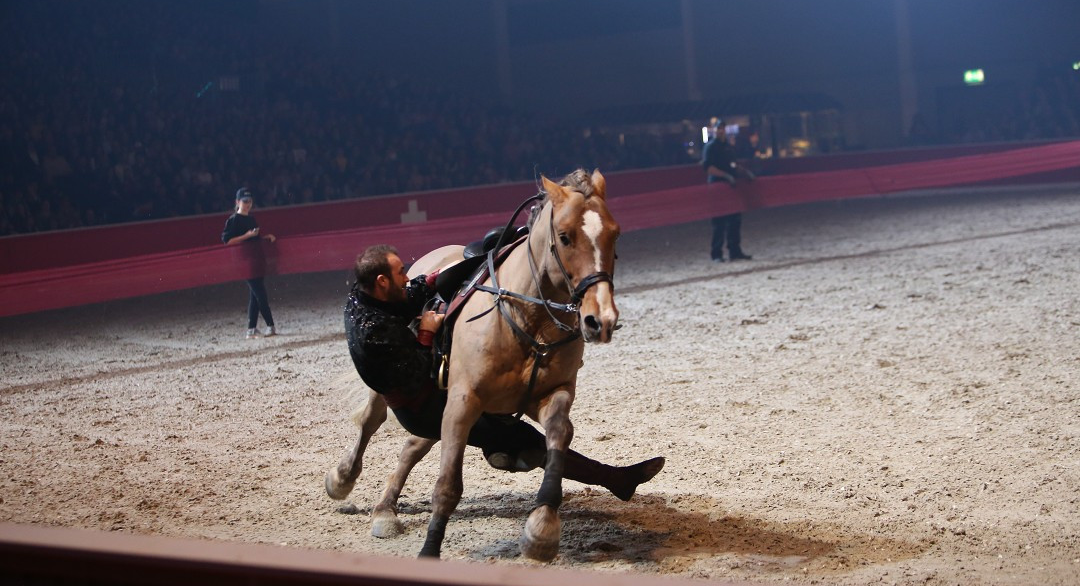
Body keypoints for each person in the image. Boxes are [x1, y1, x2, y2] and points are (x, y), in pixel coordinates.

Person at [344, 244, 664, 500]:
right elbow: (418, 371)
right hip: (421, 407)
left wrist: (456, 272)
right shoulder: (372, 333)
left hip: (424, 385)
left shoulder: (370, 297)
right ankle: (614, 479)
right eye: (401, 273)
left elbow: (411, 294)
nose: (406, 277)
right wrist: (427, 332)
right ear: (382, 282)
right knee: (523, 439)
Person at [222, 187, 277, 339]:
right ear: (237, 202)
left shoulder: (251, 219)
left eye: (249, 201)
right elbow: (227, 240)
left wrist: (265, 237)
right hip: (245, 262)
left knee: (255, 295)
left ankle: (251, 329)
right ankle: (270, 325)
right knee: (260, 294)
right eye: (245, 201)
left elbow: (254, 239)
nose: (247, 204)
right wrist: (246, 235)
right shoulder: (233, 220)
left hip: (255, 260)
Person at [701, 117, 755, 262]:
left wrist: (745, 173)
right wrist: (725, 176)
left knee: (735, 220)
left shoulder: (729, 147)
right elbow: (709, 168)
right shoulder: (710, 147)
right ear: (714, 130)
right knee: (719, 223)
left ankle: (735, 251)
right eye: (718, 128)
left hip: (731, 188)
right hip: (717, 188)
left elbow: (733, 165)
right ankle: (716, 254)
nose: (720, 131)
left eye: (722, 128)